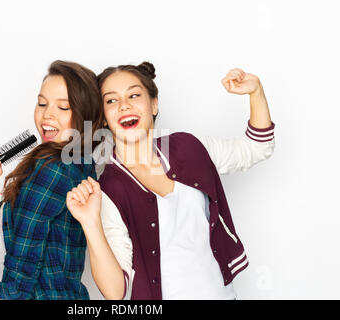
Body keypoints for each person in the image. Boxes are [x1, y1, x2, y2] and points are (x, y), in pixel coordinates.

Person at [66, 62, 275, 300]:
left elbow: (258, 148)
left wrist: (256, 92)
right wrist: (90, 222)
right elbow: (116, 292)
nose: (124, 105)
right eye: (111, 101)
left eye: (134, 95)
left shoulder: (190, 147)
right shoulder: (108, 190)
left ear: (154, 104)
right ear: (103, 118)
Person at [0, 60, 104, 300]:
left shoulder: (55, 168)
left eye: (63, 107)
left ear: (85, 116)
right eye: (42, 103)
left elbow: (22, 265)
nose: (47, 114)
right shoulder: (72, 165)